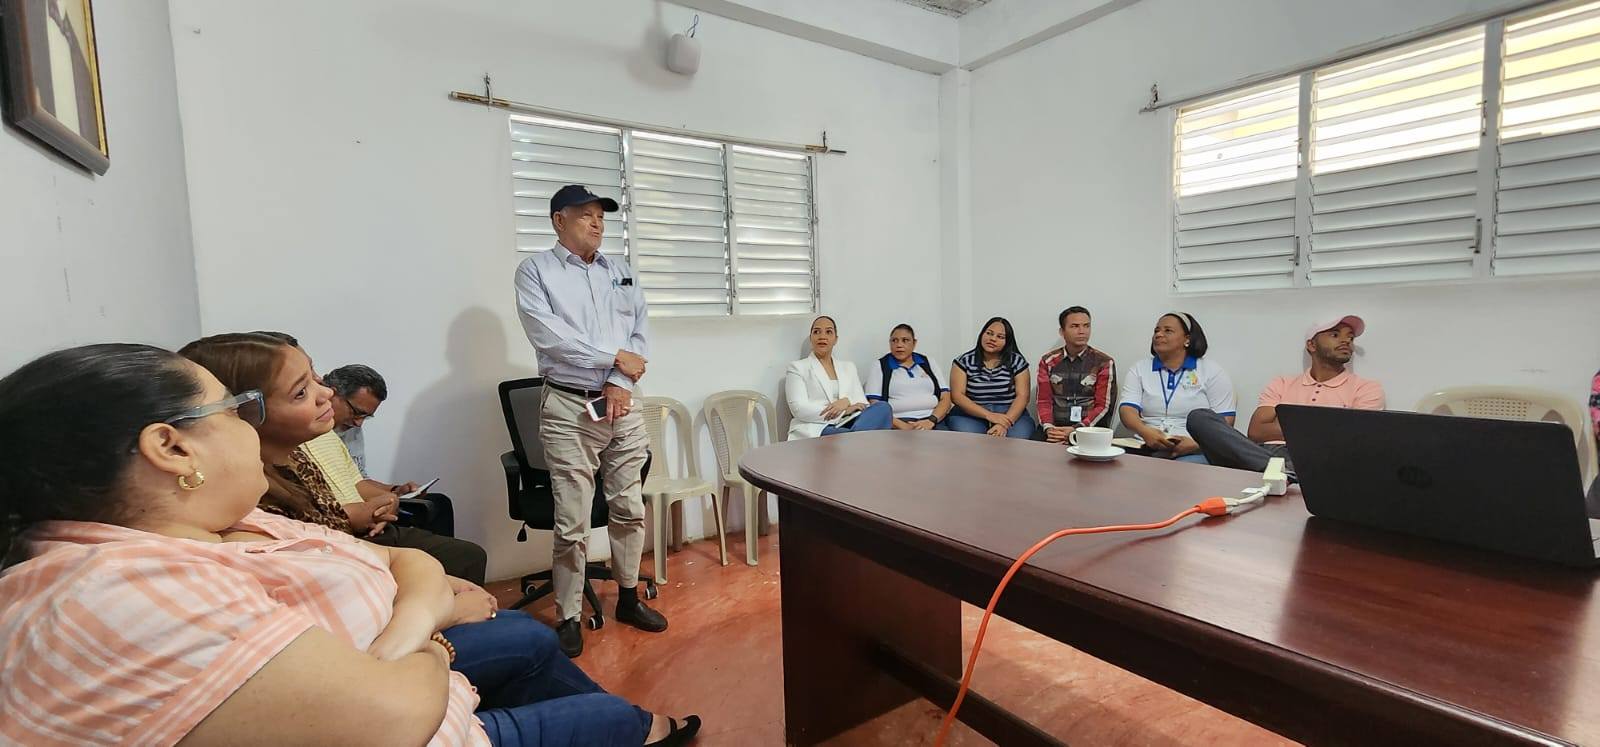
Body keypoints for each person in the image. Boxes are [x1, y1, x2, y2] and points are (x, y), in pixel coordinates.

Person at [0, 343, 701, 746]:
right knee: (604, 713)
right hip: (426, 706)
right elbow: (394, 709)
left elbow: (408, 560)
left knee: (527, 641)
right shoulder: (118, 592)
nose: (253, 429)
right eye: (237, 410)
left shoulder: (220, 524)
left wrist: (414, 619)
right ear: (171, 446)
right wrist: (427, 636)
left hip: (415, 670)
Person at [180, 332, 489, 585]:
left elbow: (346, 501)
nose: (325, 393)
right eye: (301, 391)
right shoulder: (251, 497)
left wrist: (389, 495)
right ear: (244, 412)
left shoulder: (298, 455)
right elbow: (332, 561)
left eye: (316, 377)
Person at [514, 184, 664, 658]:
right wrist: (613, 357)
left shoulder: (619, 270)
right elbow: (551, 338)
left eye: (601, 216)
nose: (597, 223)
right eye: (585, 215)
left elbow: (639, 330)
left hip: (622, 402)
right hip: (569, 407)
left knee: (629, 507)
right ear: (559, 220)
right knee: (572, 520)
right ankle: (569, 616)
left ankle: (626, 598)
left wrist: (620, 377)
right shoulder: (535, 271)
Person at [1189, 316, 1385, 474]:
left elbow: (1355, 440)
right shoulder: (1282, 383)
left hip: (1317, 460)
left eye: (1350, 337)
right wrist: (1327, 425)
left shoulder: (1367, 388)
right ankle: (1282, 474)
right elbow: (1257, 431)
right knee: (1199, 418)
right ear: (1312, 345)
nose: (1346, 341)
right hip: (1263, 453)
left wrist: (1287, 427)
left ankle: (1279, 473)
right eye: (1335, 334)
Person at [327, 363, 458, 536]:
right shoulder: (312, 431)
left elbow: (359, 478)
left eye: (366, 416)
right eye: (356, 412)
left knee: (438, 503)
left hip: (362, 498)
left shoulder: (352, 429)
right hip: (343, 507)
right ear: (332, 393)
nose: (359, 423)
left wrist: (395, 490)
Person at [1118, 312, 1236, 464]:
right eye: (1156, 331)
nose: (1159, 335)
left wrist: (1197, 444)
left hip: (1194, 448)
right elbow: (1127, 410)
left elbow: (1225, 421)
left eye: (1168, 330)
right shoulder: (1139, 369)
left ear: (1187, 339)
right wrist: (1145, 431)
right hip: (1146, 444)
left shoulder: (1211, 371)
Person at [785, 315, 893, 439]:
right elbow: (799, 409)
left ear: (835, 339)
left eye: (828, 332)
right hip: (816, 427)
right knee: (851, 436)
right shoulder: (797, 367)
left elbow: (862, 402)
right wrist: (842, 412)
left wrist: (847, 402)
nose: (822, 336)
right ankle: (856, 440)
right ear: (811, 338)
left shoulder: (848, 367)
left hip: (851, 422)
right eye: (816, 332)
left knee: (883, 407)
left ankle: (854, 439)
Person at [1035, 306, 1116, 444]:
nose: (1082, 331)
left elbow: (1103, 406)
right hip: (1055, 428)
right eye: (1075, 326)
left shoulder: (1103, 362)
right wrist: (1050, 429)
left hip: (1089, 428)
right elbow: (1043, 401)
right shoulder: (1048, 361)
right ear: (1062, 332)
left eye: (1086, 326)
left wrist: (1077, 430)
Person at [944, 317, 1034, 438]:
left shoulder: (1017, 361)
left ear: (1008, 341)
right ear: (982, 334)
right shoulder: (963, 361)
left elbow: (1023, 396)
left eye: (1000, 337)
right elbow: (957, 396)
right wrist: (989, 415)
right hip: (971, 413)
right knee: (973, 439)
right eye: (989, 333)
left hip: (1010, 413)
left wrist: (1004, 423)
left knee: (1017, 440)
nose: (992, 339)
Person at [865, 323, 952, 430]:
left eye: (905, 340)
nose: (899, 345)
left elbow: (946, 398)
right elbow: (875, 405)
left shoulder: (928, 362)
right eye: (894, 341)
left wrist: (931, 421)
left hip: (932, 420)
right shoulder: (880, 366)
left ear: (914, 343)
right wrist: (904, 427)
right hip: (899, 422)